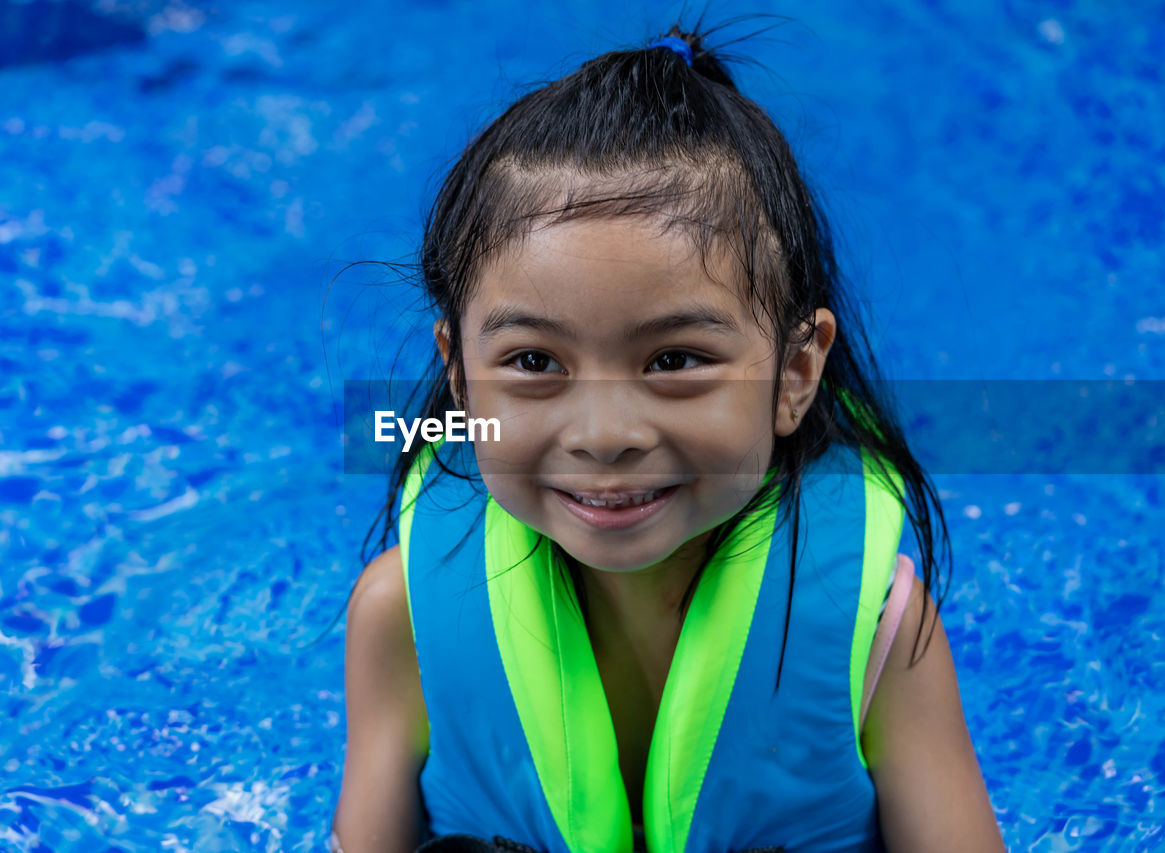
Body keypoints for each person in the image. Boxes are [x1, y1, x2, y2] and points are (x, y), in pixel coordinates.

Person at [332, 23, 1005, 853]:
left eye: (675, 359)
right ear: (463, 381)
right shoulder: (400, 616)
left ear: (795, 374)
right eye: (534, 360)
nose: (605, 435)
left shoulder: (879, 634)